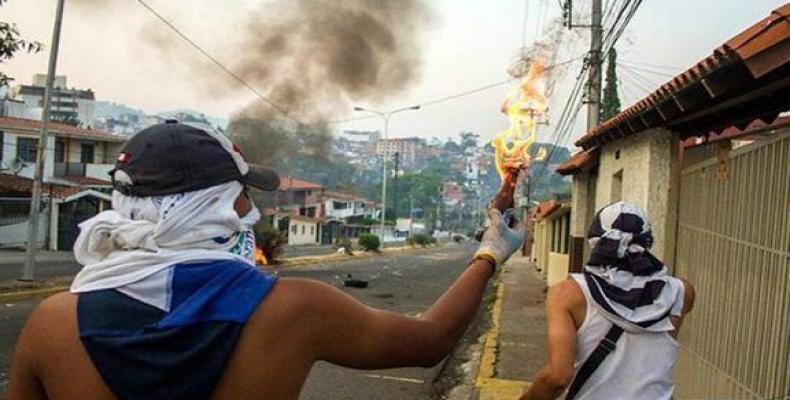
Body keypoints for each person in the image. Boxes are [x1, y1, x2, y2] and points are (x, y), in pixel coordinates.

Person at [5, 121, 525, 400]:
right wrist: (488, 253)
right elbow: (430, 341)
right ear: (215, 206)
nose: (250, 211)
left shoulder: (54, 324)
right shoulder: (293, 308)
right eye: (242, 197)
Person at [520, 202, 695, 400]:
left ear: (595, 241)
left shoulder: (567, 294)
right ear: (647, 241)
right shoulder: (680, 292)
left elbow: (557, 377)